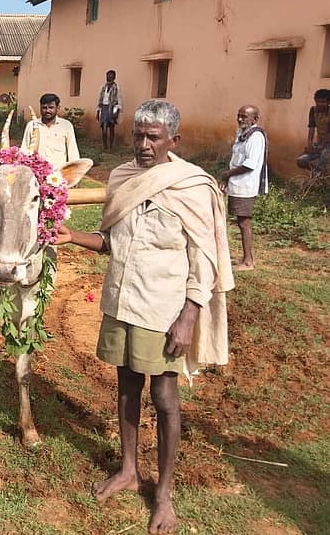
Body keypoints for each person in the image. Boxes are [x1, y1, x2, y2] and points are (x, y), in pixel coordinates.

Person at [56, 100, 233, 535]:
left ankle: (164, 494)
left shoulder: (191, 187)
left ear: (175, 140)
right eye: (138, 135)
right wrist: (72, 236)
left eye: (154, 137)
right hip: (122, 301)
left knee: (166, 398)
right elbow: (112, 242)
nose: (144, 145)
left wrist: (189, 315)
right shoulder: (122, 177)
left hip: (164, 308)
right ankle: (129, 469)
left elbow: (203, 259)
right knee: (125, 387)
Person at [220, 105, 268, 272]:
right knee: (240, 221)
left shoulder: (255, 137)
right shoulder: (241, 134)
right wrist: (227, 178)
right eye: (239, 116)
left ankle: (248, 261)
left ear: (254, 119)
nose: (240, 119)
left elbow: (249, 164)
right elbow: (235, 159)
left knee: (244, 222)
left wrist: (228, 174)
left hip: (245, 184)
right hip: (236, 182)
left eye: (244, 117)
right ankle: (245, 258)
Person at [21, 92, 80, 165]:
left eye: (51, 107)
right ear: (40, 108)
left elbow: (73, 152)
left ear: (58, 108)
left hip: (58, 172)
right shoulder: (32, 125)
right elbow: (24, 149)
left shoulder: (66, 126)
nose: (47, 111)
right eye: (44, 108)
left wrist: (74, 171)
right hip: (36, 171)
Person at [296, 88, 330, 175]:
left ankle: (316, 178)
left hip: (327, 144)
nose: (320, 104)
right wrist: (310, 144)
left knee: (324, 156)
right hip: (320, 143)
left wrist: (321, 146)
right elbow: (311, 127)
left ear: (328, 103)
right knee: (301, 161)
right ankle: (318, 174)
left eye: (323, 102)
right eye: (318, 101)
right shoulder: (313, 110)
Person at [96, 70, 123, 150]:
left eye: (111, 76)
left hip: (113, 108)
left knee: (111, 128)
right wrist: (97, 111)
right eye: (108, 76)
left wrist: (117, 112)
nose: (109, 77)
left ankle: (111, 147)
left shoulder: (117, 87)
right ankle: (105, 147)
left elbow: (119, 99)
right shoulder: (103, 87)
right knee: (104, 129)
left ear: (114, 77)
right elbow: (99, 99)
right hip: (103, 108)